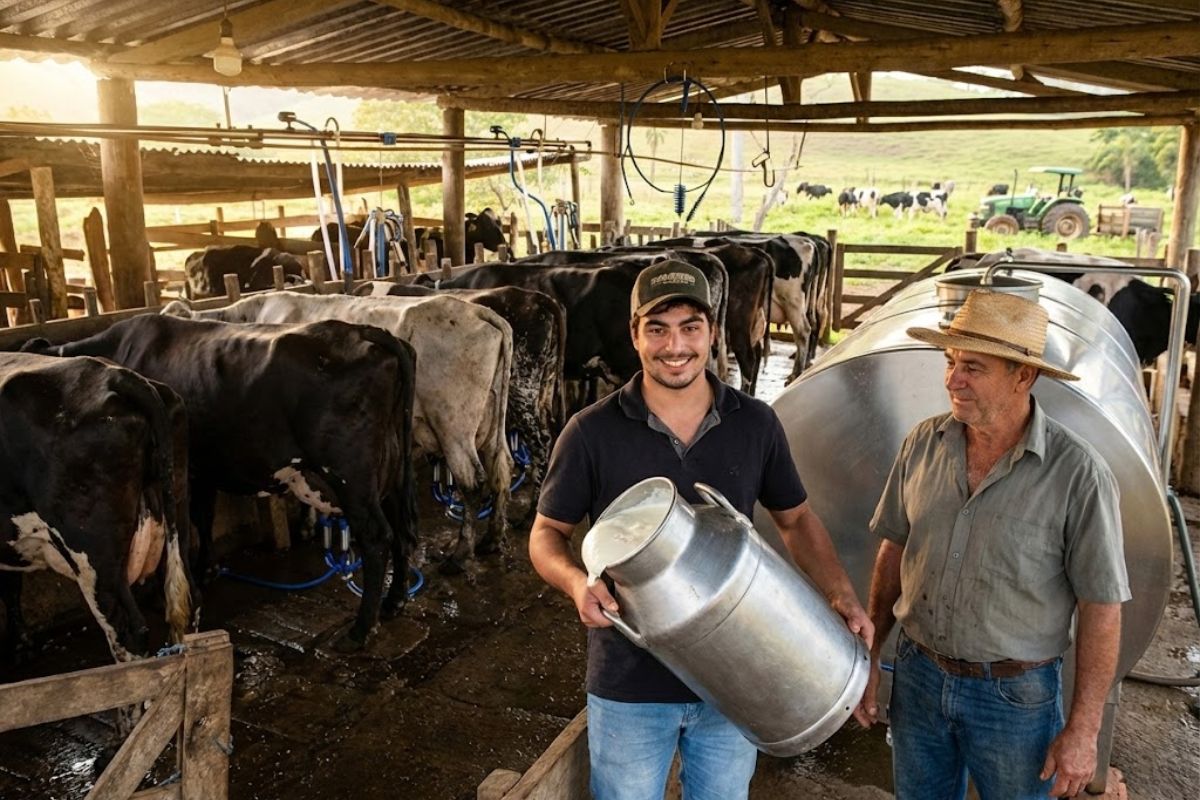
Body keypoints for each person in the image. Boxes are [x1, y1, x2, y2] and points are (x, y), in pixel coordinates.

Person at [529, 259, 872, 800]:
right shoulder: (591, 431)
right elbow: (547, 533)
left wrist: (841, 593)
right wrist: (576, 583)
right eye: (658, 329)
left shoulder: (754, 422)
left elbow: (796, 518)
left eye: (691, 327)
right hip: (630, 679)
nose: (675, 346)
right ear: (634, 335)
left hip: (737, 678)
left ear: (713, 333)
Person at [853, 289, 1130, 799]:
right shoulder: (922, 444)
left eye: (973, 368)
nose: (953, 379)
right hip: (917, 675)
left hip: (1014, 695)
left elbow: (1102, 607)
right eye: (951, 361)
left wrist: (1084, 731)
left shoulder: (1078, 474)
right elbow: (894, 548)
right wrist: (869, 655)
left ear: (1024, 375)